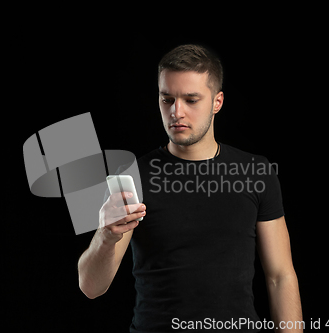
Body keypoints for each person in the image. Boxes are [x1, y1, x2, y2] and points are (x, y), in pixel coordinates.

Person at [78, 44, 303, 332]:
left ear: (217, 102)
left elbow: (280, 276)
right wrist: (106, 235)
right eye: (167, 99)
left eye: (191, 99)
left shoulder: (255, 171)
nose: (176, 112)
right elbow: (91, 288)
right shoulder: (135, 177)